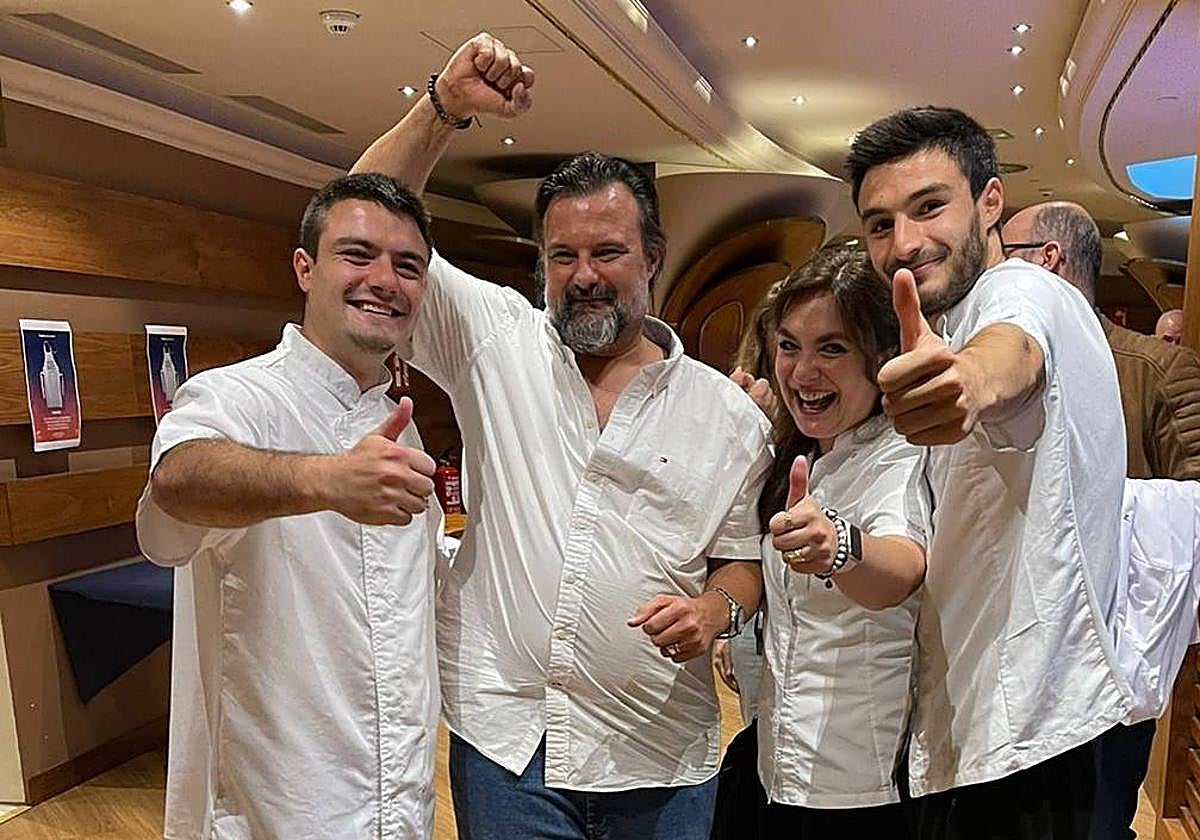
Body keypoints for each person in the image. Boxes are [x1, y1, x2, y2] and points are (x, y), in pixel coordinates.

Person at [353, 33, 772, 840]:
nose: (583, 274)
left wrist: (717, 609)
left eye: (608, 252)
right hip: (510, 748)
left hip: (659, 754)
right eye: (562, 255)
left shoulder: (729, 416)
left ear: (652, 256)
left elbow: (740, 557)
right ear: (539, 263)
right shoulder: (493, 341)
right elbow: (368, 217)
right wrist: (442, 107)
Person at [847, 107, 1129, 838]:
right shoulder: (965, 315)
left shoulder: (1020, 295)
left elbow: (1011, 357)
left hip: (1026, 742)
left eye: (930, 206)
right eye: (880, 224)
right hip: (996, 732)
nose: (904, 243)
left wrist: (966, 384)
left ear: (991, 203)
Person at [135, 174, 442, 839]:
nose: (385, 280)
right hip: (278, 808)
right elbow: (178, 480)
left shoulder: (400, 422)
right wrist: (328, 480)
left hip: (400, 800)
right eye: (357, 255)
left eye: (407, 265)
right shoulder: (238, 398)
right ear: (306, 268)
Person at [1003, 200, 1200, 839]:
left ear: (1047, 261)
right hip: (1008, 660)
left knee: (1097, 823)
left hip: (1108, 668)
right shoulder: (1001, 372)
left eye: (1005, 257)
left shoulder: (1157, 369)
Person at [750, 244, 928, 838]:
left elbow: (900, 567)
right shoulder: (802, 455)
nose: (803, 373)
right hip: (779, 764)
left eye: (832, 348)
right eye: (790, 346)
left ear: (880, 357)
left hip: (860, 788)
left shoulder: (898, 457)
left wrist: (841, 547)